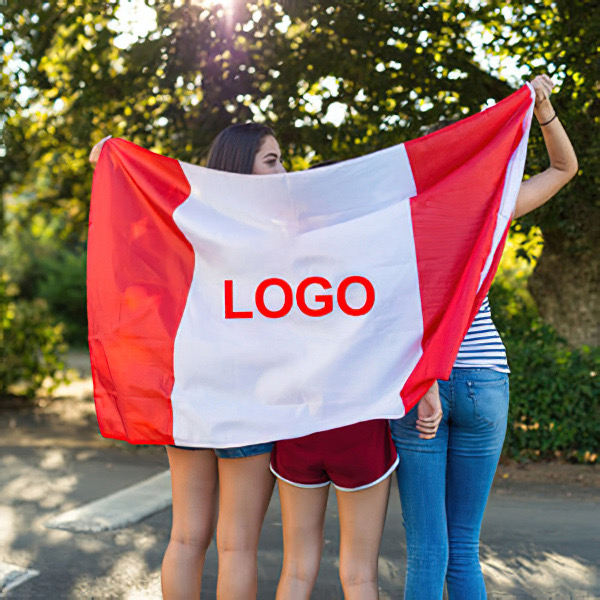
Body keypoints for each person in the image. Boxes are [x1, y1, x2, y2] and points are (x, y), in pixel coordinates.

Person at [390, 74, 578, 599]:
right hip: (486, 379)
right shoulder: (490, 206)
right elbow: (565, 168)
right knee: (463, 546)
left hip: (420, 381)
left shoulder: (401, 218)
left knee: (428, 550)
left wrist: (427, 377)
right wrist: (543, 109)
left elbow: (396, 317)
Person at [90, 123, 285, 600]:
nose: (284, 170)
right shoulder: (276, 235)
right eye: (272, 160)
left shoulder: (186, 222)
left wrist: (112, 156)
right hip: (249, 401)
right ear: (241, 166)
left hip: (191, 395)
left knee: (186, 537)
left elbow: (106, 167)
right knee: (236, 546)